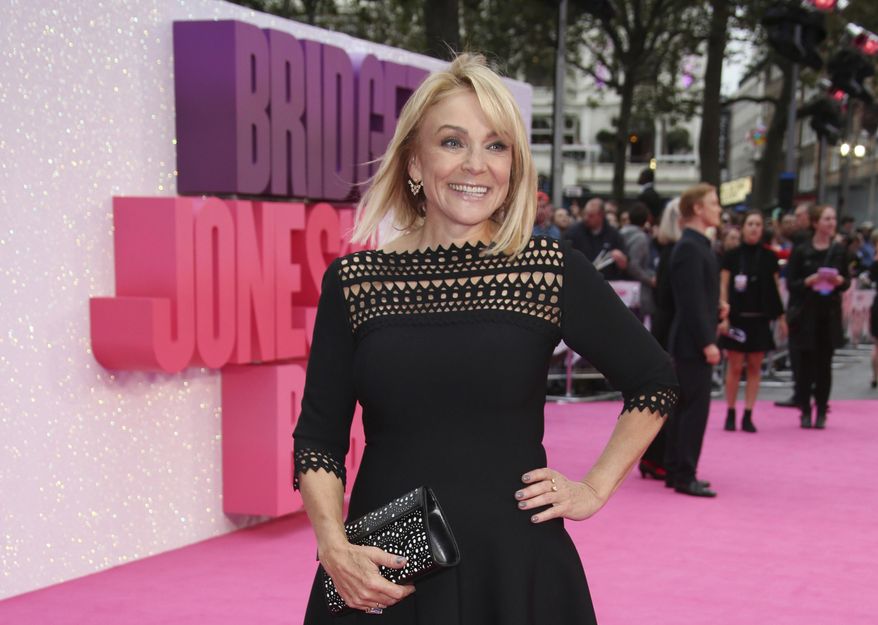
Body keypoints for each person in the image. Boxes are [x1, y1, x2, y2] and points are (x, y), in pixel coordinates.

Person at [291, 54, 679, 623]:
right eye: (453, 142)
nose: (476, 164)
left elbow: (654, 381)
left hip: (516, 564)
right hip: (385, 567)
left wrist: (593, 488)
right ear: (414, 163)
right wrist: (333, 545)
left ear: (514, 166)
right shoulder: (355, 283)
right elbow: (320, 437)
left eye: (496, 145)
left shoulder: (546, 270)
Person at [665, 183, 726, 498]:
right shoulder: (691, 247)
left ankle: (677, 470)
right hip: (692, 343)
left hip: (691, 340)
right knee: (693, 410)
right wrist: (707, 342)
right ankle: (684, 473)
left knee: (686, 409)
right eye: (714, 203)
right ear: (698, 210)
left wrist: (717, 310)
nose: (719, 208)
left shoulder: (696, 245)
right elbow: (689, 302)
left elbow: (698, 297)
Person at [718, 210, 786, 433]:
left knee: (756, 367)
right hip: (737, 317)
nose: (755, 228)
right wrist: (723, 316)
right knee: (735, 367)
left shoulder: (769, 257)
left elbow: (776, 288)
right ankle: (730, 411)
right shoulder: (732, 255)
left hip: (760, 318)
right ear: (742, 227)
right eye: (750, 224)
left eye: (758, 224)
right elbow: (724, 286)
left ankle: (748, 413)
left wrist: (782, 317)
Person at [786, 204, 851, 429]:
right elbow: (791, 283)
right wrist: (808, 281)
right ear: (816, 223)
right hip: (806, 315)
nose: (831, 223)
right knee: (804, 365)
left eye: (833, 219)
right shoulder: (802, 250)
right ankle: (804, 409)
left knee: (824, 365)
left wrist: (840, 281)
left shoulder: (839, 251)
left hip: (829, 315)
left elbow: (847, 282)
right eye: (826, 219)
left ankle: (821, 409)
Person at [639, 197, 682, 482]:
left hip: (667, 327)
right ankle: (657, 457)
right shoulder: (676, 253)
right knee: (670, 397)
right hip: (671, 331)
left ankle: (655, 457)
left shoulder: (670, 252)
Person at [564, 197, 629, 280]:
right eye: (585, 214)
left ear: (601, 215)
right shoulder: (573, 232)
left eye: (591, 215)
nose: (586, 218)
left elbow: (625, 265)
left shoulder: (613, 234)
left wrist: (620, 258)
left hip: (606, 283)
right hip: (580, 281)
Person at [620, 201, 656, 320]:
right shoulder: (640, 238)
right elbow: (634, 266)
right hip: (635, 293)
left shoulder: (621, 233)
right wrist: (650, 280)